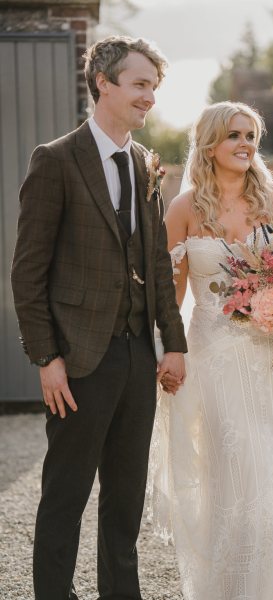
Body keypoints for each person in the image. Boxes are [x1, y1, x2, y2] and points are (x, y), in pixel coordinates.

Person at [11, 36, 187, 600]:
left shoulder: (144, 164)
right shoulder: (56, 160)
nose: (149, 99)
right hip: (79, 359)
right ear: (103, 83)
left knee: (125, 500)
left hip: (138, 357)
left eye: (154, 89)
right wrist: (46, 358)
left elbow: (158, 263)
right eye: (140, 85)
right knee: (65, 497)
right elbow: (27, 273)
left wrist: (173, 343)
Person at [149, 101, 273, 600]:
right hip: (214, 358)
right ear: (209, 144)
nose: (246, 144)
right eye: (234, 136)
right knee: (232, 472)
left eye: (251, 135)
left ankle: (261, 590)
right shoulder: (182, 209)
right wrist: (169, 351)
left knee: (270, 482)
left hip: (272, 360)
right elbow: (170, 295)